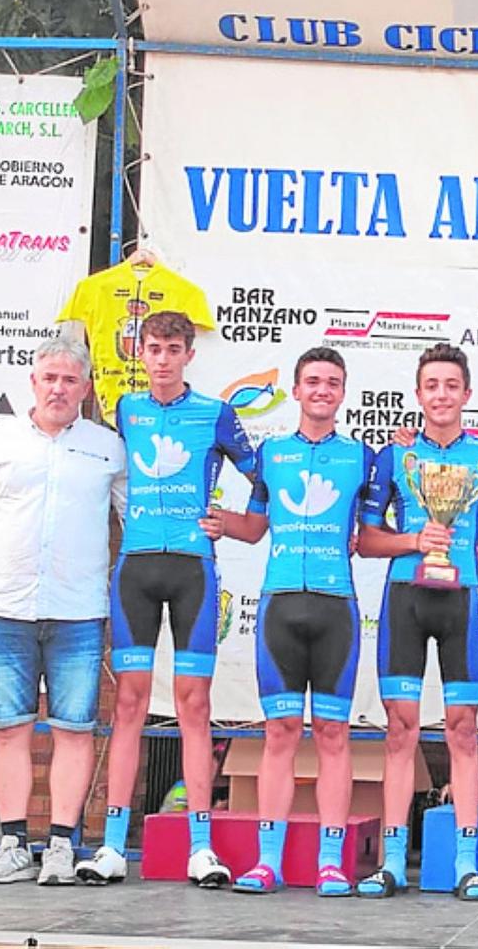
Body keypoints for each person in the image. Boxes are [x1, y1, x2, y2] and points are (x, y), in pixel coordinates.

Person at [77, 311, 257, 887]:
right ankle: (111, 846)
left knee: (193, 704)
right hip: (136, 568)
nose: (162, 358)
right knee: (128, 703)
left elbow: (265, 476)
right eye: (153, 348)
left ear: (188, 355)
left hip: (192, 570)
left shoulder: (215, 412)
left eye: (173, 349)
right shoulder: (125, 410)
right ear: (141, 351)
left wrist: (233, 523)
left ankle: (200, 847)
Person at [0, 338, 125, 885]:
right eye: (49, 378)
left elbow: (137, 521)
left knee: (74, 729)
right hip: (5, 607)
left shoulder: (108, 447)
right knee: (8, 728)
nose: (58, 389)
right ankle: (13, 845)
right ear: (32, 382)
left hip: (78, 610)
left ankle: (62, 846)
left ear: (86, 388)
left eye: (70, 380)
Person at [199, 347, 372, 896]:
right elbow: (254, 528)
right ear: (296, 391)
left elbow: (375, 531)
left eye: (332, 383)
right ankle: (266, 861)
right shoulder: (271, 454)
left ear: (342, 393)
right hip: (280, 608)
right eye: (313, 381)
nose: (322, 390)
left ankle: (330, 861)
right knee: (279, 732)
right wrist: (215, 519)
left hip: (335, 606)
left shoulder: (362, 457)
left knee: (333, 733)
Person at [357, 343, 478, 901]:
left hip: (462, 600)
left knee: (463, 729)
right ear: (418, 393)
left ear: (467, 393)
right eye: (432, 385)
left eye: (451, 385)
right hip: (405, 598)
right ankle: (392, 862)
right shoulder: (395, 456)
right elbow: (366, 540)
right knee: (400, 730)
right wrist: (413, 540)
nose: (442, 395)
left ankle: (465, 863)